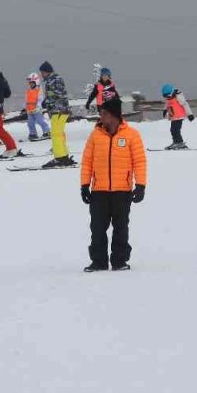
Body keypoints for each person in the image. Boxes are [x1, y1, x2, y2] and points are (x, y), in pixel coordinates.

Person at [80, 97, 148, 271]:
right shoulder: (95, 135)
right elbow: (87, 161)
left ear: (114, 115)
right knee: (97, 228)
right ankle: (98, 261)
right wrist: (84, 185)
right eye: (101, 113)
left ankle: (119, 261)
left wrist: (140, 185)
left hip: (122, 191)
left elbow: (139, 162)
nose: (101, 117)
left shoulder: (132, 135)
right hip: (99, 192)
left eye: (104, 113)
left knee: (121, 228)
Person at [39, 61, 74, 169]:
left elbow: (59, 95)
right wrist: (47, 100)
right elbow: (54, 94)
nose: (41, 75)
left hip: (58, 111)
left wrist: (48, 101)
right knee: (59, 133)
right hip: (60, 110)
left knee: (55, 134)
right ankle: (64, 156)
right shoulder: (53, 79)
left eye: (42, 72)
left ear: (46, 71)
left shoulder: (54, 80)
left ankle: (59, 158)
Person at [160, 83, 194, 150]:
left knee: (176, 130)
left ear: (171, 92)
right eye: (165, 96)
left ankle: (180, 143)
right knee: (172, 130)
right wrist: (164, 110)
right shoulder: (169, 98)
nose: (167, 97)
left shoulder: (178, 96)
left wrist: (190, 114)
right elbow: (167, 104)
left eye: (168, 96)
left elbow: (185, 104)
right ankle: (175, 142)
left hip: (179, 116)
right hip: (173, 116)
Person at [25, 73, 51, 141]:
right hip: (30, 110)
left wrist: (38, 107)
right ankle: (33, 134)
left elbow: (40, 99)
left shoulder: (39, 90)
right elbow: (27, 100)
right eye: (30, 83)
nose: (30, 84)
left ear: (36, 82)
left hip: (37, 110)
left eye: (32, 83)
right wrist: (26, 108)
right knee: (30, 123)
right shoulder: (29, 91)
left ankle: (47, 131)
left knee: (40, 121)